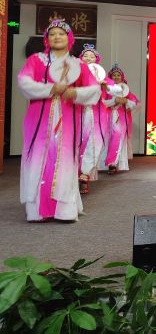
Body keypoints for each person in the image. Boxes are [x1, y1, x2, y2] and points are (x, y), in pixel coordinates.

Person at [17, 19, 100, 222]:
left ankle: (64, 211)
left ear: (69, 38)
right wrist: (50, 89)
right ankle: (37, 211)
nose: (57, 37)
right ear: (47, 38)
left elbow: (94, 89)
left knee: (64, 160)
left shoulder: (78, 64)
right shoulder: (36, 60)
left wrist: (74, 93)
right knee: (37, 159)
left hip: (67, 119)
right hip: (38, 120)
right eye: (52, 34)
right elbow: (24, 81)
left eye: (61, 34)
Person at [78, 44, 109, 193]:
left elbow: (115, 89)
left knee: (94, 143)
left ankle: (84, 175)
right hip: (77, 112)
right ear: (81, 58)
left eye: (92, 56)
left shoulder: (101, 75)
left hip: (95, 113)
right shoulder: (75, 72)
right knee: (75, 143)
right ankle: (72, 175)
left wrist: (105, 86)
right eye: (86, 55)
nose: (88, 58)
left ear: (96, 60)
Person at [103, 64, 139, 174]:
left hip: (121, 118)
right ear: (110, 77)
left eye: (118, 75)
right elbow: (101, 103)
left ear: (122, 77)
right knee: (107, 139)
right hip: (107, 117)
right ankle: (107, 163)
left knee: (117, 138)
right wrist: (114, 101)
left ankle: (112, 163)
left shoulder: (125, 89)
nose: (116, 77)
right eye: (114, 75)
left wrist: (126, 101)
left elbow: (135, 103)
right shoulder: (106, 89)